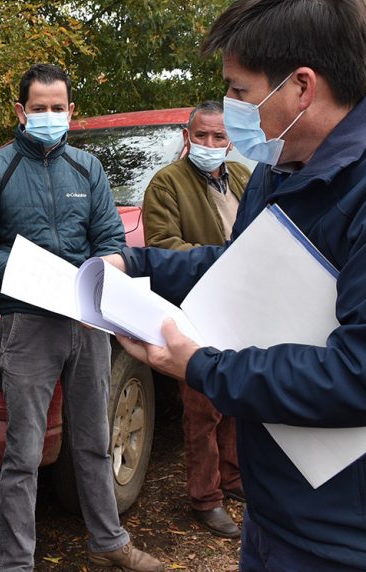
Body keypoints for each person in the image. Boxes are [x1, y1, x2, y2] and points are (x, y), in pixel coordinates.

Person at [108, 0, 366, 571]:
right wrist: (136, 265)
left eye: (239, 90)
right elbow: (242, 270)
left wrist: (201, 366)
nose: (230, 110)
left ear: (301, 86)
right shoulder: (281, 170)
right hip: (277, 514)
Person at [0, 63, 164, 572]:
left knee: (94, 439)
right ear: (20, 111)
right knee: (24, 453)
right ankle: (15, 562)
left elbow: (111, 240)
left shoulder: (88, 169)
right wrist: (35, 277)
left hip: (87, 322)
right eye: (39, 108)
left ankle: (109, 541)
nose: (49, 116)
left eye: (57, 108)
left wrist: (97, 271)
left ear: (72, 111)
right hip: (28, 323)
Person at [141, 100, 250, 539]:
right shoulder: (167, 183)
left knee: (240, 396)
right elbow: (163, 248)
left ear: (230, 141)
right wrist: (229, 262)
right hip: (196, 306)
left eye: (218, 137)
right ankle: (206, 497)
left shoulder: (242, 178)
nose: (208, 144)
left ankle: (235, 478)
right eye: (200, 135)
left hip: (242, 306)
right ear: (187, 137)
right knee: (202, 407)